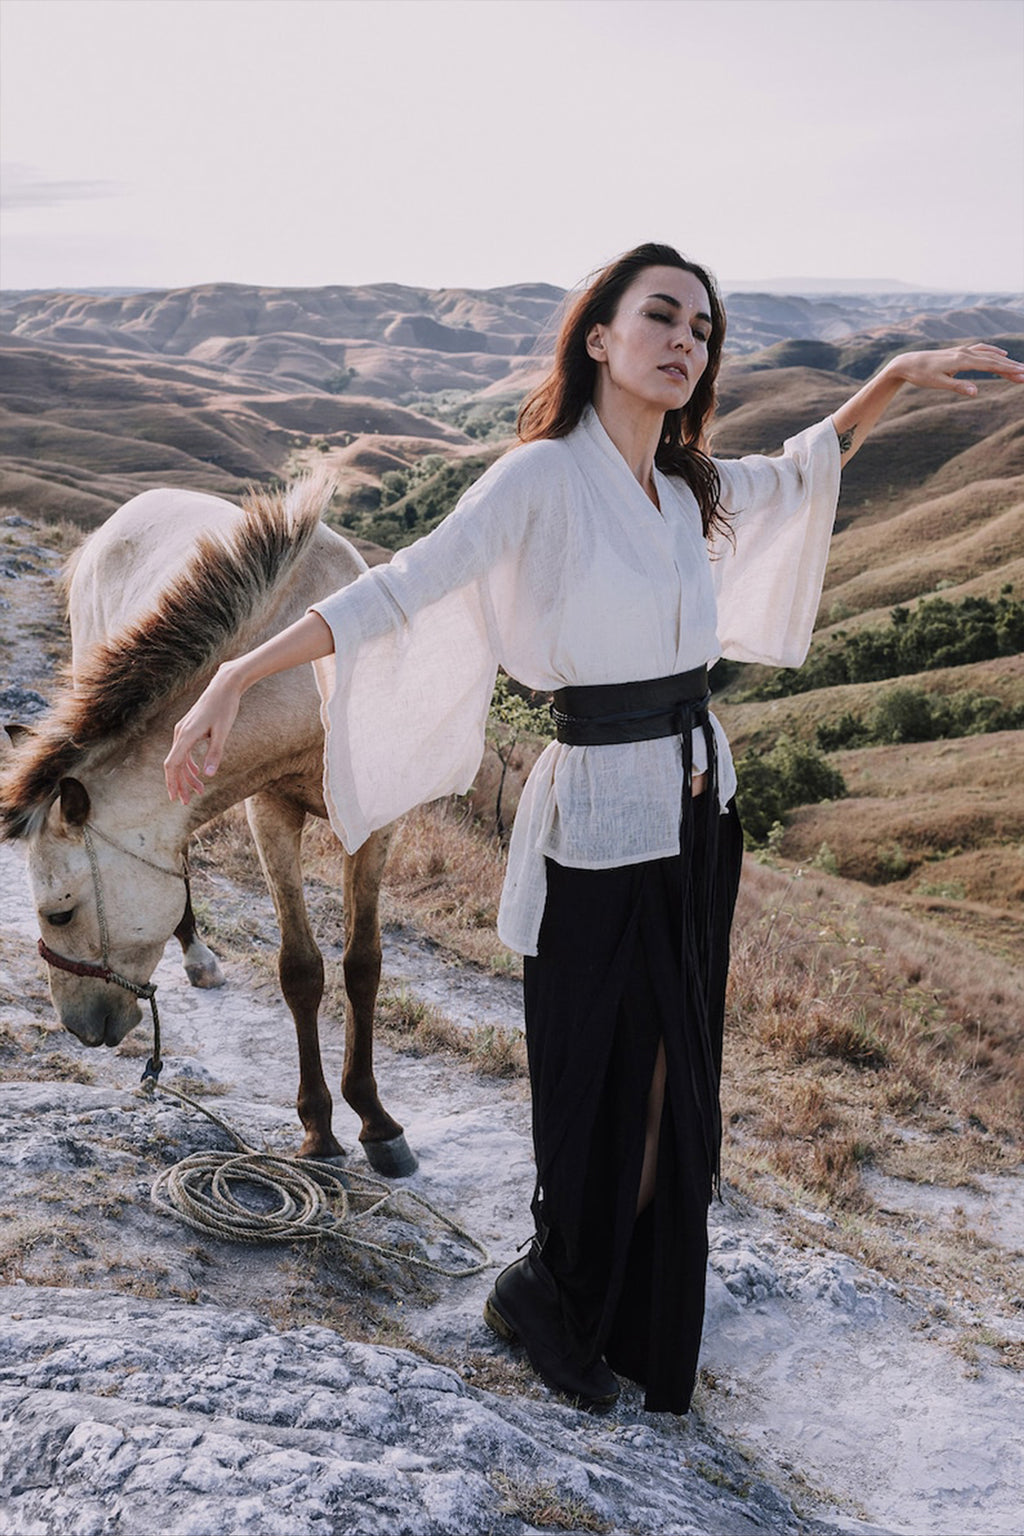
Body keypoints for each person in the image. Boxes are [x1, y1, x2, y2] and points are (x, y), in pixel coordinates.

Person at [165, 243, 1024, 1414]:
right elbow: (398, 588)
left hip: (696, 808)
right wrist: (226, 683)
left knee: (676, 1073)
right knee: (592, 1076)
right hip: (596, 821)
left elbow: (802, 468)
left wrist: (896, 374)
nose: (686, 341)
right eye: (661, 317)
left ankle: (628, 1302)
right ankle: (547, 1293)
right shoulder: (536, 480)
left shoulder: (685, 487)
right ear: (599, 340)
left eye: (704, 329)